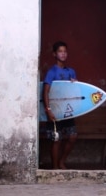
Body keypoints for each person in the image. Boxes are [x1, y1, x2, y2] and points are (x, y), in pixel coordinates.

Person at [43, 41, 77, 169]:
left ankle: (62, 161)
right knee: (57, 139)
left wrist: (75, 84)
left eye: (65, 51)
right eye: (60, 51)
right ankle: (55, 168)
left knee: (73, 137)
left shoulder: (71, 72)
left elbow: (75, 93)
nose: (63, 54)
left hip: (68, 110)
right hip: (55, 111)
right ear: (54, 54)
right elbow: (45, 92)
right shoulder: (52, 72)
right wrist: (48, 110)